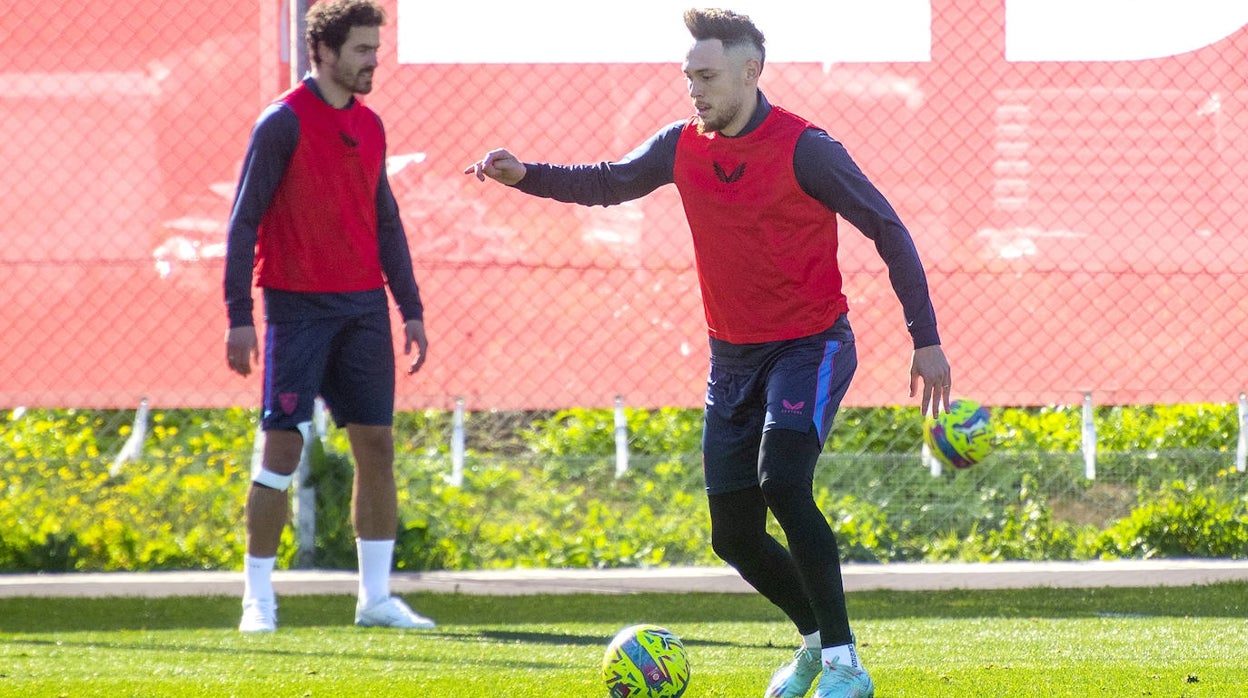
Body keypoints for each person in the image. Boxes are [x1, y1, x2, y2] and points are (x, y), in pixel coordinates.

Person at [465, 8, 951, 697]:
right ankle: (814, 644)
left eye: (708, 75)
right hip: (733, 361)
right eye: (689, 75)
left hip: (809, 346)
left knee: (782, 480)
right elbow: (608, 182)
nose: (695, 89)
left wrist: (925, 338)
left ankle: (846, 665)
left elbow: (887, 227)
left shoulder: (806, 148)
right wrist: (525, 175)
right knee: (734, 536)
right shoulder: (680, 145)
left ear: (751, 72)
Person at [223, 0, 434, 633]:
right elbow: (242, 223)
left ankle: (375, 600)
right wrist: (239, 316)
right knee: (282, 447)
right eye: (364, 49)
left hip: (363, 308)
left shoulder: (370, 126)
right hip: (296, 309)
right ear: (326, 52)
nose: (375, 60)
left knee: (377, 446)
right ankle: (257, 600)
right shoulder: (281, 124)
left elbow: (387, 221)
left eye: (376, 47)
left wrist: (411, 308)